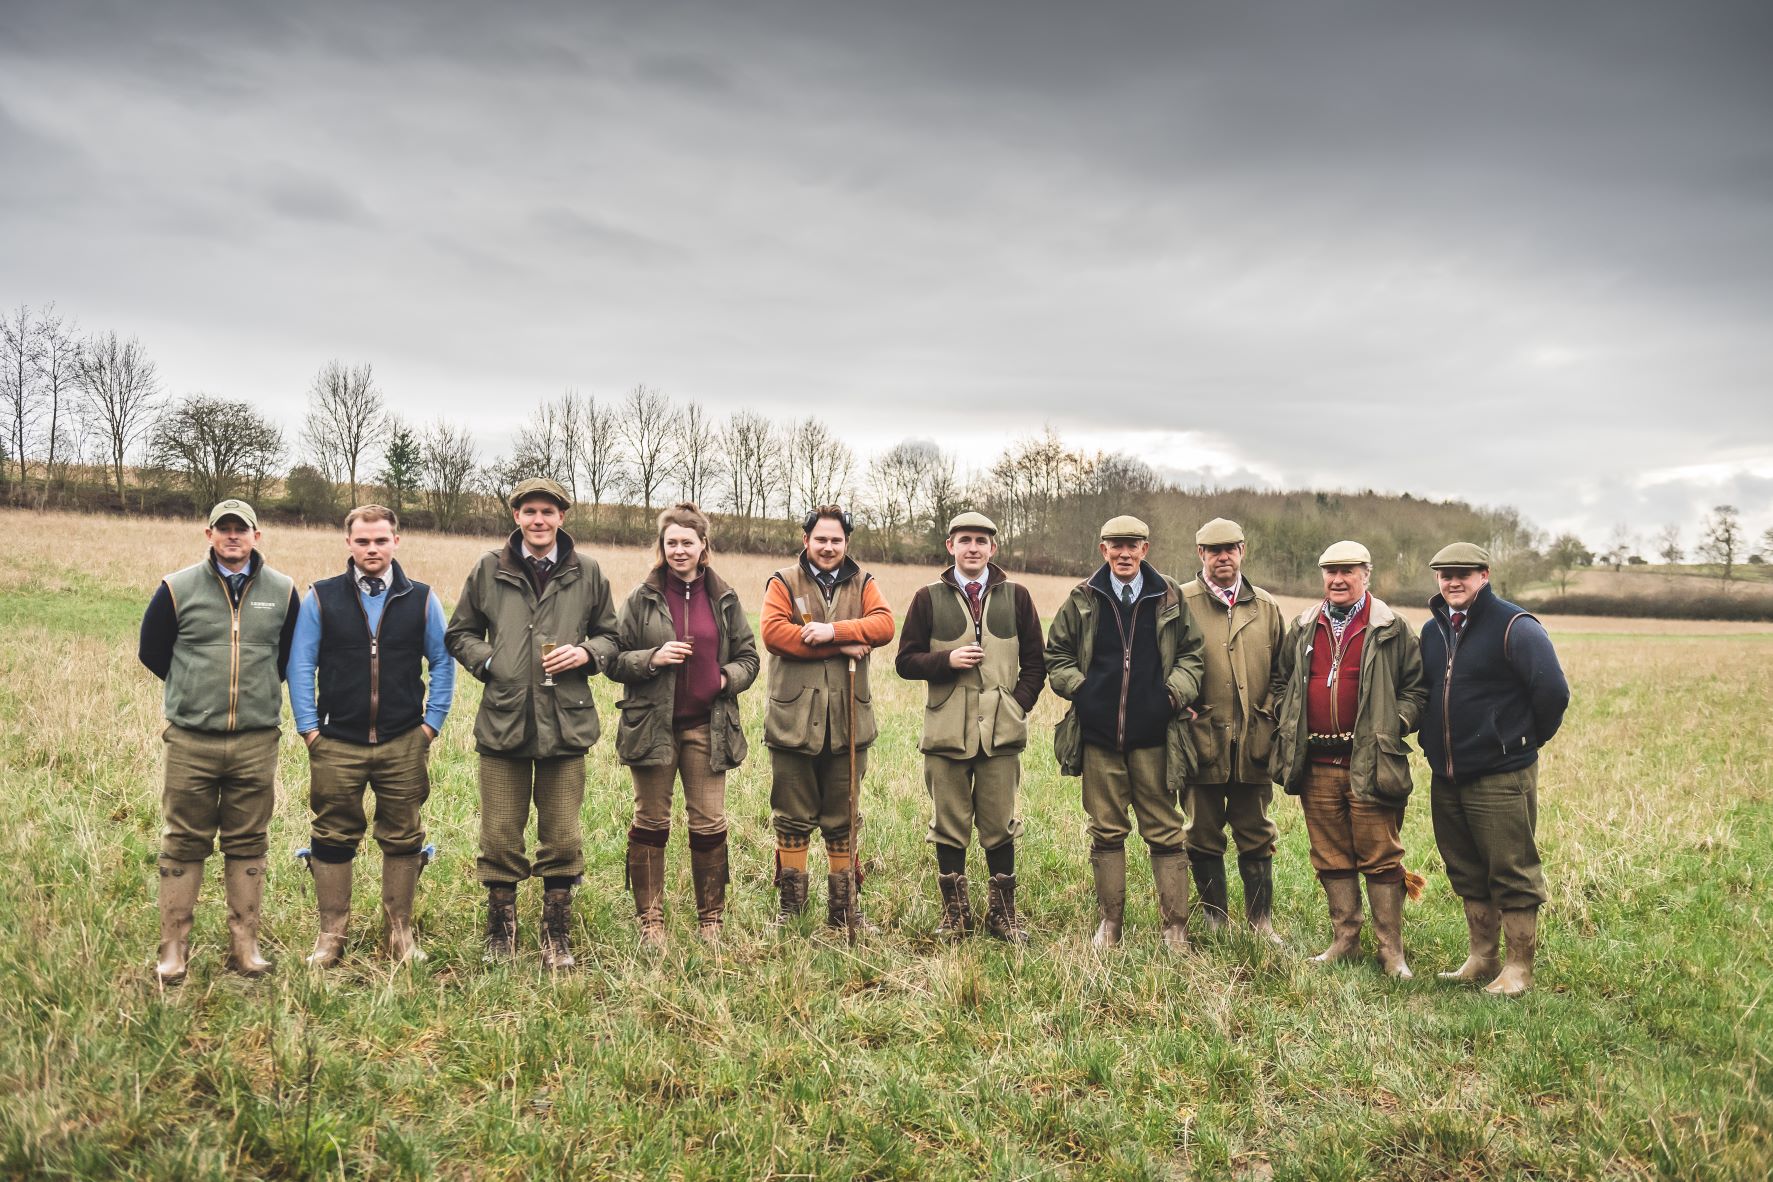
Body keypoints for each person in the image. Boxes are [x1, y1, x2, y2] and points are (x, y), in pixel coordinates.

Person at [445, 478, 619, 970]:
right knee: (499, 834)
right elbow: (459, 633)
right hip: (504, 720)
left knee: (562, 835)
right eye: (529, 511)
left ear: (562, 517)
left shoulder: (587, 572)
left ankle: (555, 932)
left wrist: (585, 653)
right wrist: (491, 661)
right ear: (516, 516)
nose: (538, 520)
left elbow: (611, 636)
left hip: (566, 722)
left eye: (548, 511)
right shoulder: (488, 568)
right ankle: (501, 931)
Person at [137, 498, 300, 983]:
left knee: (249, 841)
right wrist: (195, 690)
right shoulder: (175, 588)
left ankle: (244, 946)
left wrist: (252, 696)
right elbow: (152, 650)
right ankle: (173, 949)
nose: (233, 536)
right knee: (183, 841)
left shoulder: (284, 591)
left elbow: (288, 658)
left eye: (241, 529)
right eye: (223, 529)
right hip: (191, 740)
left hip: (255, 740)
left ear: (257, 535)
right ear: (208, 534)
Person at [287, 505, 455, 967]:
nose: (372, 549)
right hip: (337, 740)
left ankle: (398, 933)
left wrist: (431, 724)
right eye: (363, 541)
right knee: (332, 833)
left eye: (381, 540)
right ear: (349, 544)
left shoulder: (422, 598)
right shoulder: (321, 598)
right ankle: (331, 934)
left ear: (395, 542)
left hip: (404, 740)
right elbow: (301, 664)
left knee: (403, 834)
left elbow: (443, 661)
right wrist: (309, 729)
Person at [1045, 515, 1206, 950]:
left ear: (1145, 549)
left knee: (1166, 831)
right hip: (1099, 740)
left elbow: (1193, 655)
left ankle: (1174, 928)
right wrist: (1083, 692)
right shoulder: (1083, 598)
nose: (1124, 553)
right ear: (1103, 549)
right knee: (1107, 830)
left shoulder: (1168, 595)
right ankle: (1110, 924)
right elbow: (1056, 654)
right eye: (1116, 545)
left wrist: (1171, 697)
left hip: (1155, 739)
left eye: (1132, 545)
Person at [1269, 541, 1427, 978]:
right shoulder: (1302, 625)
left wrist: (1391, 724)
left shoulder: (1391, 626)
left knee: (1380, 856)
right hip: (1316, 762)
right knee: (1330, 855)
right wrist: (1289, 714)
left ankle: (1391, 951)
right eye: (1330, 571)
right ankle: (1345, 940)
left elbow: (1417, 690)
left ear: (1366, 574)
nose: (1338, 579)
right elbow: (1281, 681)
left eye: (1348, 571)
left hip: (1372, 764)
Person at [1421, 542, 1569, 996]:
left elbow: (1553, 695)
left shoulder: (1515, 627)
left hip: (1501, 774)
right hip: (1447, 774)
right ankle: (1482, 958)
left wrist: (1518, 742)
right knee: (1465, 867)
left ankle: (1518, 969)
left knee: (1512, 871)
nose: (1453, 581)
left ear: (1484, 575)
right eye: (1445, 574)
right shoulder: (1432, 631)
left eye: (1463, 573)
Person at [609, 503, 760, 948]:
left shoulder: (725, 598)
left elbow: (750, 659)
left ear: (703, 546)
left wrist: (724, 678)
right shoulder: (641, 598)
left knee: (709, 822)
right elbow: (613, 659)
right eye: (671, 542)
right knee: (651, 821)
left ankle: (710, 918)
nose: (679, 550)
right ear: (662, 546)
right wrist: (652, 659)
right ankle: (650, 922)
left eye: (687, 542)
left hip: (708, 728)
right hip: (652, 726)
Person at [895, 511, 1045, 942]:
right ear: (951, 546)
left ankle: (1003, 916)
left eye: (981, 540)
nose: (973, 547)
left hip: (1000, 734)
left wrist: (1016, 705)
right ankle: (955, 917)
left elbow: (1036, 663)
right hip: (946, 731)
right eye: (965, 540)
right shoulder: (927, 598)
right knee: (950, 823)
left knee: (1000, 823)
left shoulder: (1017, 596)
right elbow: (905, 661)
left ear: (993, 548)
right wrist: (946, 661)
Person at [759, 505, 895, 930]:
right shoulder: (783, 581)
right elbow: (774, 634)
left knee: (843, 815)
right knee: (792, 814)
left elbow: (885, 625)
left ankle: (844, 912)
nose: (829, 547)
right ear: (806, 541)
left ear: (846, 543)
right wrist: (839, 647)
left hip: (848, 721)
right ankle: (791, 913)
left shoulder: (864, 582)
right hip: (793, 720)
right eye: (821, 539)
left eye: (837, 540)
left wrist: (834, 630)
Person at [1178, 517, 1287, 944]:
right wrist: (1181, 707)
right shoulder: (1179, 602)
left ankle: (1261, 924)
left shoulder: (1267, 606)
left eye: (1231, 548)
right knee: (1202, 830)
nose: (1223, 557)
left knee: (1256, 830)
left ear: (1243, 550)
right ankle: (1215, 920)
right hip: (1200, 738)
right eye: (1213, 550)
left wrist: (1270, 711)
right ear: (1200, 554)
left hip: (1254, 741)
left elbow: (1284, 672)